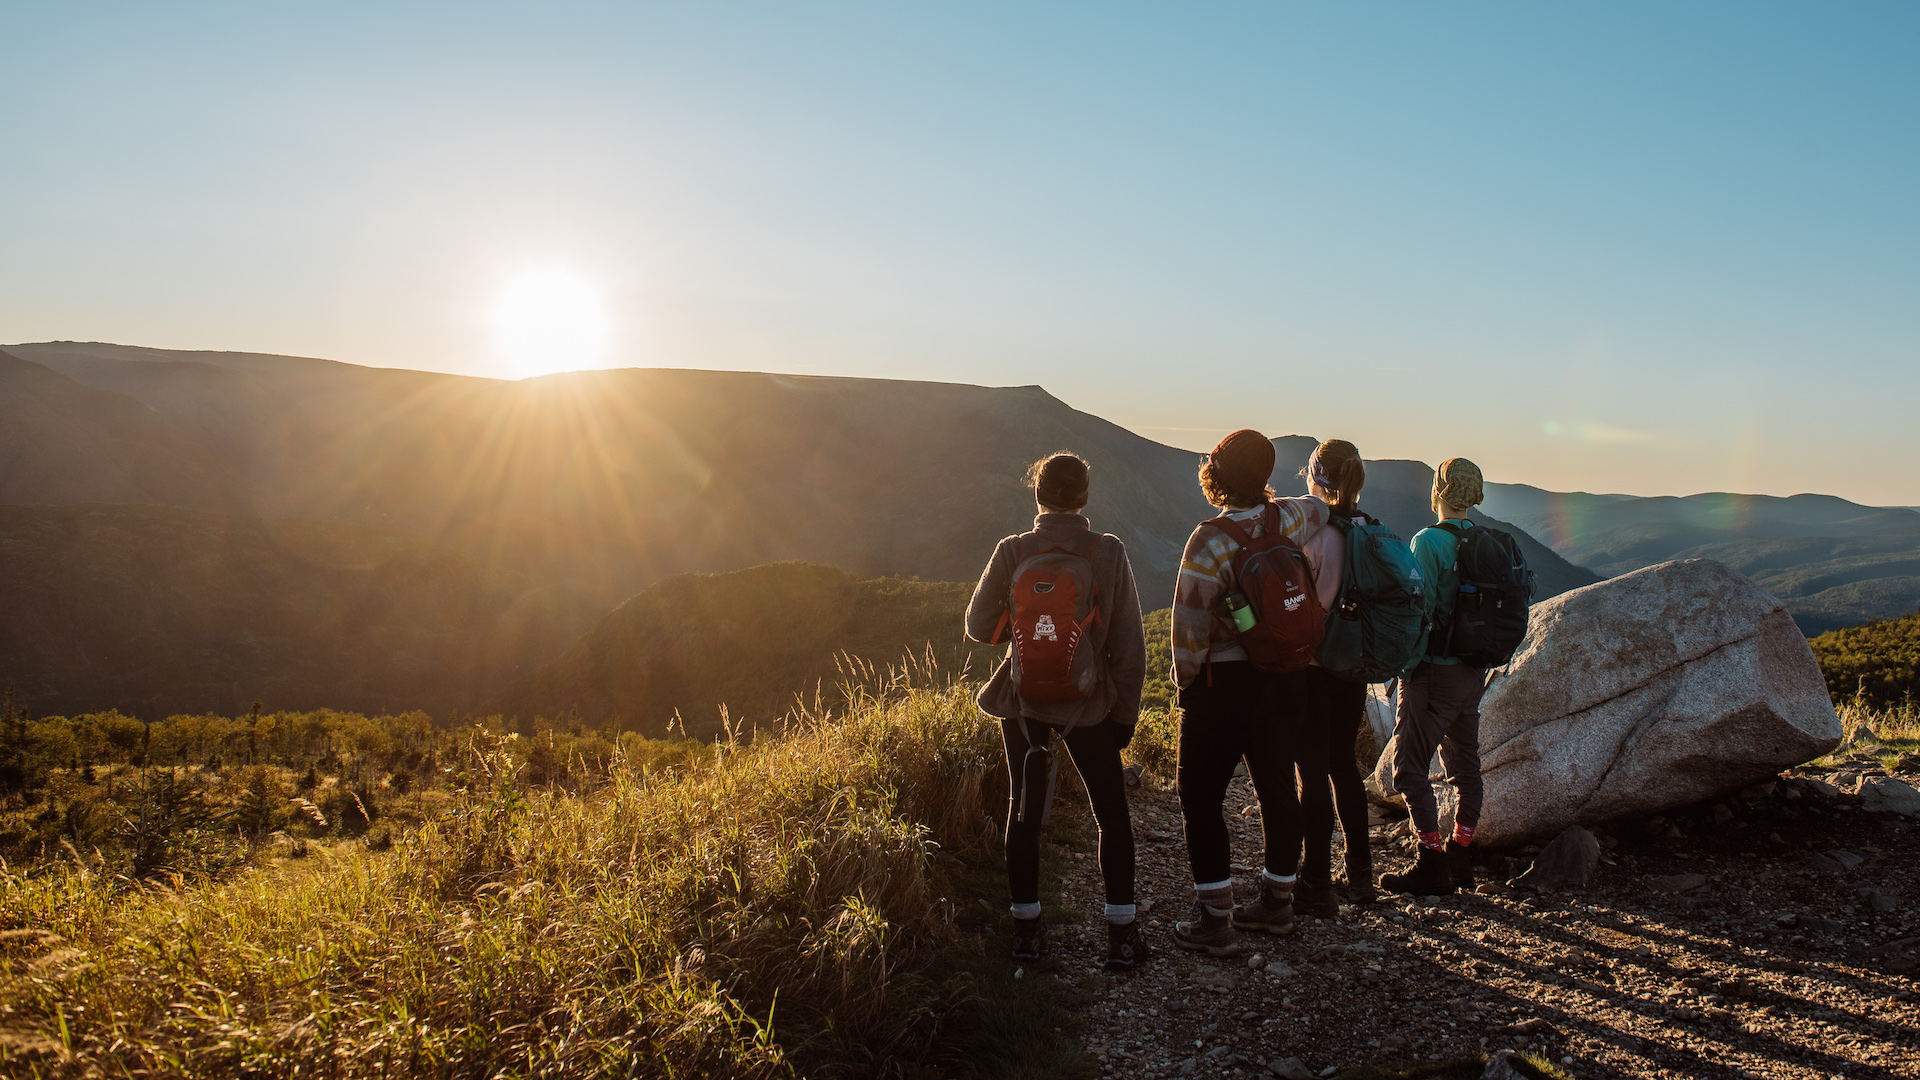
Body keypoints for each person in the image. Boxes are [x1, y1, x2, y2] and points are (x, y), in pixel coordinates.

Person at [966, 451, 1150, 969]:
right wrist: (1125, 716)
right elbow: (1129, 645)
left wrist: (1021, 620)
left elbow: (978, 627)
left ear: (1038, 494)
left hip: (1023, 703)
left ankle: (1026, 936)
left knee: (1023, 814)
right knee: (1110, 815)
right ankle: (1121, 938)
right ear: (1084, 497)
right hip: (1089, 706)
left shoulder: (1013, 550)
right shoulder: (1107, 551)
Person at [1168, 429, 1329, 954]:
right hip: (1287, 677)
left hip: (1225, 686)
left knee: (1200, 798)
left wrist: (1185, 683)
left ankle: (1215, 921)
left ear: (1215, 475)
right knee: (1278, 789)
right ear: (1263, 477)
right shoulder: (1288, 519)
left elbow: (1188, 626)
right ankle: (1277, 904)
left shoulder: (1209, 540)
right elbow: (1321, 508)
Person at [1380, 457, 1491, 895]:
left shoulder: (1428, 541)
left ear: (1438, 491)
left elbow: (1418, 610)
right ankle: (1460, 855)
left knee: (1409, 769)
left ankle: (1430, 861)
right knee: (1466, 769)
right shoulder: (1484, 541)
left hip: (1432, 673)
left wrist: (1403, 668)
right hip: (1472, 672)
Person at [1295, 439, 1378, 913]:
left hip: (1313, 665)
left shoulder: (1317, 535)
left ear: (1317, 477)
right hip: (1355, 664)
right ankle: (1361, 875)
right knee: (1344, 764)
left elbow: (1300, 605)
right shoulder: (1371, 530)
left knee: (1311, 769)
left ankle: (1316, 880)